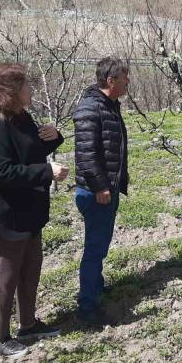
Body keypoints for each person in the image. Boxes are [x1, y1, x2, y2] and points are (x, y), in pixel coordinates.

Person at [0, 63, 69, 358]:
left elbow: (31, 151)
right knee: (5, 278)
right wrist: (46, 172)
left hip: (28, 214)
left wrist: (55, 136)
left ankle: (28, 325)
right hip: (6, 217)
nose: (31, 91)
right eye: (27, 86)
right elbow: (0, 172)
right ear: (13, 91)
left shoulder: (21, 118)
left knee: (29, 272)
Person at [73, 57, 130, 326]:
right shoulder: (90, 109)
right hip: (95, 192)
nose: (128, 81)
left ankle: (95, 286)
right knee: (94, 248)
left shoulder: (109, 106)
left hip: (108, 188)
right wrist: (100, 187)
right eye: (124, 77)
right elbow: (86, 155)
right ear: (111, 81)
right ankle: (87, 305)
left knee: (101, 242)